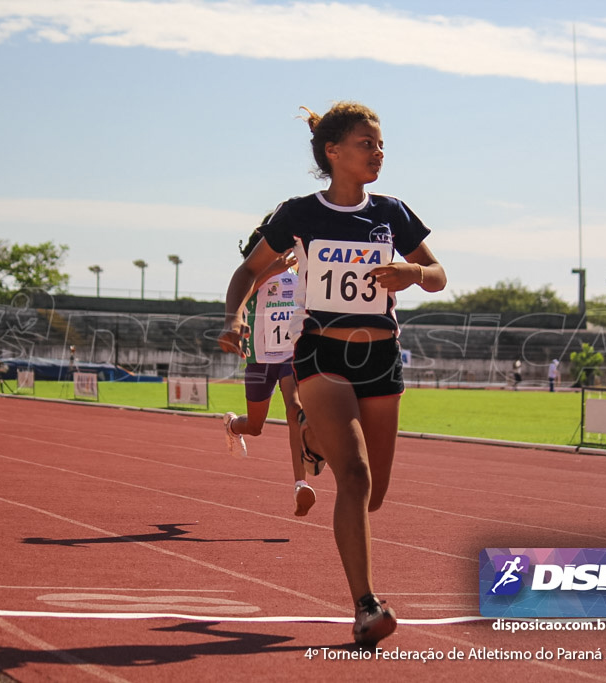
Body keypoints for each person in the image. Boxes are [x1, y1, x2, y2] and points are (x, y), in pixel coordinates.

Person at [217, 101, 446, 647]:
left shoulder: (392, 212)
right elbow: (249, 270)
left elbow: (438, 275)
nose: (378, 153)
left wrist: (412, 272)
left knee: (374, 496)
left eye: (381, 144)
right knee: (356, 476)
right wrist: (232, 319)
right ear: (333, 152)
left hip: (382, 357)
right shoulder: (301, 214)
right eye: (367, 144)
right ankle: (366, 605)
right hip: (322, 353)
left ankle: (312, 438)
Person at [223, 226, 321, 517]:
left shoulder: (295, 280)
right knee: (255, 426)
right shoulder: (251, 279)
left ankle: (300, 484)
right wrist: (271, 269)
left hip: (289, 358)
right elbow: (242, 297)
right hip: (259, 361)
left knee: (295, 410)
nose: (285, 254)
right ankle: (231, 426)